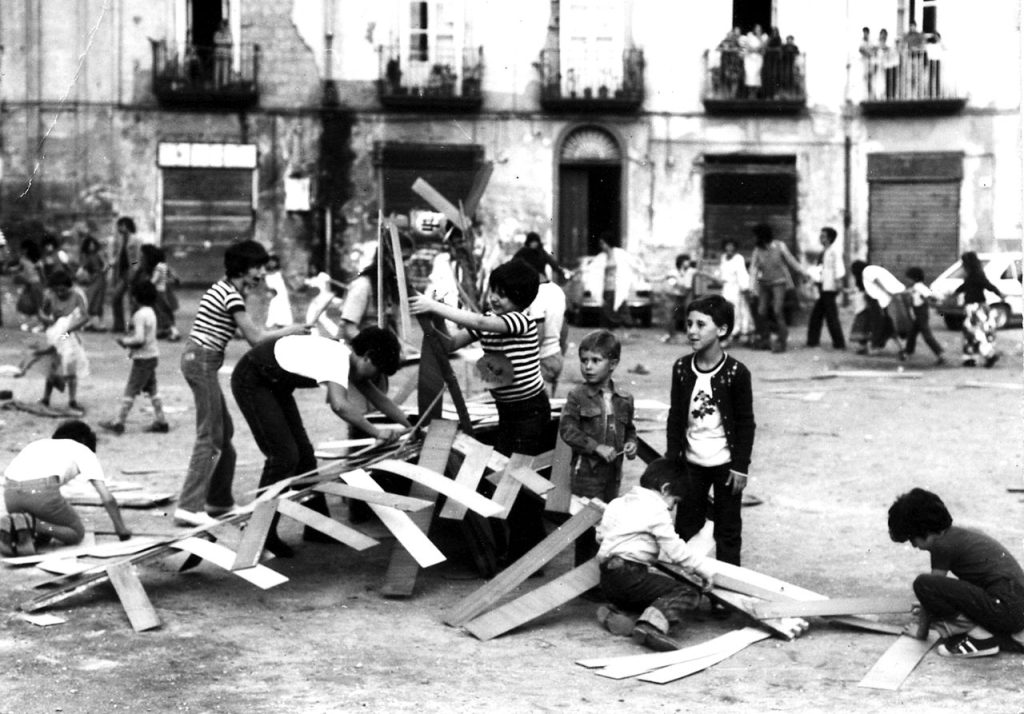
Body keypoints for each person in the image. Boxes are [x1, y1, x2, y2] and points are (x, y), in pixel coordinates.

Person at [410, 259, 550, 565]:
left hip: (530, 411)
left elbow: (482, 324)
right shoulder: (489, 319)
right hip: (508, 411)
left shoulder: (520, 321)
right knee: (504, 477)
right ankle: (522, 546)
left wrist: (434, 305)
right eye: (494, 291)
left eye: (505, 294)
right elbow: (450, 344)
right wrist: (436, 318)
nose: (495, 298)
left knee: (518, 481)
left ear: (522, 299)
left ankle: (525, 553)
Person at [230, 328, 412, 556]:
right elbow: (339, 405)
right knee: (284, 457)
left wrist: (411, 425)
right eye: (377, 369)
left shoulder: (350, 359)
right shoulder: (338, 358)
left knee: (305, 457)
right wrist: (376, 432)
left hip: (275, 384)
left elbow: (379, 399)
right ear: (367, 356)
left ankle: (317, 527)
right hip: (253, 378)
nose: (374, 377)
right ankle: (260, 533)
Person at [175, 240, 307, 528]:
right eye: (257, 267)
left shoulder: (226, 289)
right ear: (243, 268)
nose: (261, 273)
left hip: (201, 360)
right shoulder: (231, 296)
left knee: (224, 434)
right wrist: (291, 330)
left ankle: (219, 501)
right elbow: (255, 339)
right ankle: (188, 506)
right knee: (210, 436)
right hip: (201, 361)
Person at [666, 295, 755, 582]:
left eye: (701, 324)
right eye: (689, 323)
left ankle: (728, 591)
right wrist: (672, 461)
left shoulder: (736, 373)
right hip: (691, 464)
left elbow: (746, 423)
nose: (692, 331)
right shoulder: (682, 368)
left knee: (728, 530)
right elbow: (675, 417)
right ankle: (686, 587)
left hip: (726, 466)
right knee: (686, 526)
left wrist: (740, 466)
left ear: (722, 329)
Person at [594, 458, 716, 651]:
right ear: (665, 489)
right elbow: (675, 549)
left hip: (608, 580)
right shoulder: (656, 510)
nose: (672, 508)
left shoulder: (617, 503)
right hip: (630, 576)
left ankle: (616, 613)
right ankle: (651, 627)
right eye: (674, 501)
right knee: (688, 592)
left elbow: (600, 536)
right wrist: (702, 570)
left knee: (647, 595)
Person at [888, 488, 1024, 658]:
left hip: (1004, 609)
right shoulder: (959, 535)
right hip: (1014, 606)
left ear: (926, 532)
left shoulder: (941, 546)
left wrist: (921, 631)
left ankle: (980, 638)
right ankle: (1006, 635)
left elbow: (931, 588)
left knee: (923, 585)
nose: (914, 546)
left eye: (912, 539)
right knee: (941, 594)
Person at [559, 329, 637, 565]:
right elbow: (568, 430)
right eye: (584, 360)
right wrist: (595, 447)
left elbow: (630, 428)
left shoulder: (625, 398)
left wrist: (631, 443)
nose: (588, 367)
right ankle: (583, 578)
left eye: (596, 360)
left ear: (612, 364)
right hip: (586, 475)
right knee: (586, 529)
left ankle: (600, 575)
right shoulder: (577, 396)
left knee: (607, 526)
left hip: (613, 475)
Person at [1, 420, 131, 556]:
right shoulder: (84, 450)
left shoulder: (38, 444)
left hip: (10, 494)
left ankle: (14, 529)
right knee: (76, 532)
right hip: (40, 492)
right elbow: (107, 498)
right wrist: (121, 529)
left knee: (45, 532)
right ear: (84, 441)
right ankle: (34, 524)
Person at [98, 281, 170, 435]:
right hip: (152, 355)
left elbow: (139, 339)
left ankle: (119, 421)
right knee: (152, 389)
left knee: (131, 389)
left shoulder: (139, 315)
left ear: (135, 298)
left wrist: (125, 341)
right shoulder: (151, 312)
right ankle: (161, 420)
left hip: (142, 358)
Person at [515, 247, 568, 396]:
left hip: (542, 360)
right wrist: (560, 352)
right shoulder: (557, 290)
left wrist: (523, 361)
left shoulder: (536, 295)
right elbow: (564, 327)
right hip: (555, 356)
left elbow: (539, 334)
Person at [37, 270, 90, 412]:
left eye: (63, 290)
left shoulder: (76, 296)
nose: (60, 293)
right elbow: (42, 313)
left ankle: (72, 400)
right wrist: (47, 321)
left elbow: (85, 317)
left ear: (69, 287)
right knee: (53, 367)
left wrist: (68, 331)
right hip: (55, 334)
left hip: (69, 335)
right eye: (57, 290)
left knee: (70, 365)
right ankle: (46, 398)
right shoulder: (50, 296)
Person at [748, 223, 804, 353]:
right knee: (761, 311)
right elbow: (753, 269)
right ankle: (765, 339)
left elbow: (791, 260)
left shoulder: (780, 246)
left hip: (779, 282)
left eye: (757, 236)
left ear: (763, 236)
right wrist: (751, 287)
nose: (755, 238)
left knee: (777, 310)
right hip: (764, 283)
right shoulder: (757, 250)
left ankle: (781, 340)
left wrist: (802, 272)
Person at [583, 233, 642, 338]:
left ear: (608, 243)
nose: (602, 246)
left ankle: (623, 332)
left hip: (618, 288)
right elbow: (591, 269)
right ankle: (609, 334)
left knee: (621, 309)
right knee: (607, 311)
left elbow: (633, 265)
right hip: (606, 288)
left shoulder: (620, 254)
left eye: (603, 243)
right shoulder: (601, 258)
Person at [955, 251, 1004, 368]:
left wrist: (999, 293)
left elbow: (988, 286)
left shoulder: (974, 276)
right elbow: (988, 286)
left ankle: (987, 355)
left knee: (975, 333)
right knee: (972, 332)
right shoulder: (975, 275)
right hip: (977, 307)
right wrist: (999, 293)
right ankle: (971, 358)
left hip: (975, 308)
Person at [805, 227, 846, 350]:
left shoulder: (834, 251)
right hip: (824, 286)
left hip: (830, 287)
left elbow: (838, 267)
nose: (820, 238)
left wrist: (838, 282)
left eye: (823, 236)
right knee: (819, 315)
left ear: (829, 238)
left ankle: (838, 343)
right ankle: (814, 341)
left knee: (829, 315)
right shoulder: (824, 251)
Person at [860, 263, 906, 356]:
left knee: (883, 326)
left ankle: (874, 347)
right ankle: (901, 348)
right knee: (888, 326)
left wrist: (887, 292)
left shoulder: (870, 277)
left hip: (881, 307)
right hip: (884, 307)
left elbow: (876, 281)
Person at [903, 267, 945, 366]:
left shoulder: (919, 286)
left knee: (927, 335)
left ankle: (940, 354)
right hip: (918, 314)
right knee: (912, 333)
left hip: (922, 314)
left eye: (908, 278)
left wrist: (929, 301)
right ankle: (907, 352)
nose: (907, 280)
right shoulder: (915, 287)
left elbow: (928, 295)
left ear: (914, 278)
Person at [108, 216, 142, 334]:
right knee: (116, 297)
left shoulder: (135, 240)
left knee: (133, 300)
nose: (119, 228)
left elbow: (137, 257)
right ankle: (119, 325)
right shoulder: (120, 240)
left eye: (121, 225)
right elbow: (117, 255)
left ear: (126, 226)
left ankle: (134, 325)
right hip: (121, 273)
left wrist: (135, 269)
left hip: (131, 272)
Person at [142, 244, 181, 341]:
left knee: (162, 312)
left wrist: (147, 284)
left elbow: (154, 280)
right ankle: (164, 329)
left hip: (158, 292)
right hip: (163, 291)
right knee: (163, 311)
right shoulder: (164, 265)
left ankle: (173, 331)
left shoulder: (158, 267)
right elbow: (173, 276)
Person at [717, 240, 752, 346]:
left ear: (735, 248)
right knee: (725, 312)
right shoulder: (723, 258)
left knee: (737, 312)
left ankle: (734, 334)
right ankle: (729, 334)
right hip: (726, 289)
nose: (729, 248)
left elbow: (742, 273)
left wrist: (744, 287)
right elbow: (722, 273)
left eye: (731, 246)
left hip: (736, 288)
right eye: (727, 246)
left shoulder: (739, 258)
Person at [76, 234, 108, 332]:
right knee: (90, 299)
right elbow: (82, 267)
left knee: (96, 299)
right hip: (91, 279)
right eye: (90, 245)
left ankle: (95, 323)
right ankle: (91, 323)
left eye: (93, 244)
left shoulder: (98, 254)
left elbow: (106, 265)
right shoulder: (86, 256)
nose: (91, 246)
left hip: (99, 278)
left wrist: (102, 271)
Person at [660, 255, 695, 345]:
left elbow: (701, 273)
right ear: (681, 262)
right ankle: (671, 334)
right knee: (670, 314)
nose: (688, 262)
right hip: (676, 295)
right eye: (686, 261)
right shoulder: (673, 272)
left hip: (687, 294)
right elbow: (665, 278)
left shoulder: (691, 271)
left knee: (689, 314)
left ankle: (690, 336)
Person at [14, 239, 44, 331]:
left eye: (23, 249)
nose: (22, 251)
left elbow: (42, 276)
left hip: (36, 285)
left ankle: (39, 324)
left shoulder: (37, 261)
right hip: (29, 285)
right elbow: (19, 270)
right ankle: (31, 323)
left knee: (38, 306)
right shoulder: (23, 260)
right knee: (26, 305)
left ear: (27, 249)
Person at [264, 254, 294, 329]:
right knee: (273, 310)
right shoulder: (265, 274)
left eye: (273, 261)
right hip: (273, 296)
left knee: (283, 310)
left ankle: (283, 325)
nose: (272, 263)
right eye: (270, 262)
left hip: (282, 295)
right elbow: (265, 286)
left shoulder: (280, 272)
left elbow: (287, 283)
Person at [740, 24, 766, 98]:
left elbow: (763, 46)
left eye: (759, 29)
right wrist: (753, 49)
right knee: (750, 75)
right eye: (756, 29)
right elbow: (747, 45)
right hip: (750, 59)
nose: (758, 30)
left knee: (757, 75)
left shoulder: (763, 37)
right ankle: (750, 93)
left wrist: (759, 38)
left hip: (758, 59)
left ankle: (755, 93)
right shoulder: (750, 35)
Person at [213, 20, 233, 88]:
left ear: (225, 26)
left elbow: (229, 41)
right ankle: (216, 83)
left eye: (222, 25)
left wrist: (221, 42)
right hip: (218, 53)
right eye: (220, 25)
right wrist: (224, 42)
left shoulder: (228, 33)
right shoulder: (217, 33)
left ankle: (225, 84)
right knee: (217, 69)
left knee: (225, 68)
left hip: (225, 53)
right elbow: (215, 41)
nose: (221, 26)